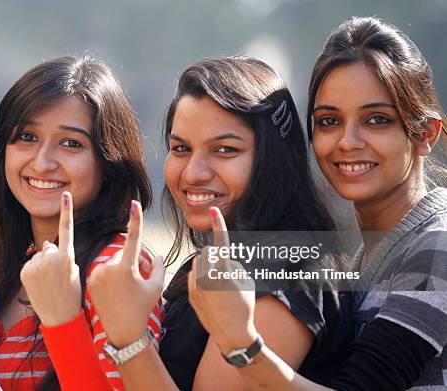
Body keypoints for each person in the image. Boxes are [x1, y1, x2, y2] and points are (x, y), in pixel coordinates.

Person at [189, 16, 447, 391]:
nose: (348, 141)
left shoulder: (436, 245)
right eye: (329, 121)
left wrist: (241, 343)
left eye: (377, 120)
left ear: (425, 134)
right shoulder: (365, 256)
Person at [86, 56, 350, 390]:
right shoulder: (211, 265)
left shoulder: (290, 269)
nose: (194, 173)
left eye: (224, 150)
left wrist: (129, 338)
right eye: (180, 148)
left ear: (272, 160)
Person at [0, 55, 161, 391]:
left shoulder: (115, 269)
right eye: (27, 137)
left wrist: (63, 323)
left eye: (71, 143)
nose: (42, 163)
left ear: (108, 160)